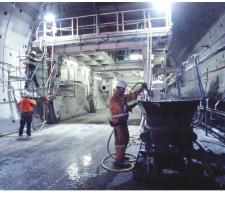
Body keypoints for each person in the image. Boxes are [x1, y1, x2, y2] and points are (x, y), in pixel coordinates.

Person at [108, 80, 148, 168]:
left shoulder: (122, 97)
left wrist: (141, 88)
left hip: (123, 123)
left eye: (124, 90)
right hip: (118, 124)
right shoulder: (114, 99)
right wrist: (136, 103)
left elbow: (132, 95)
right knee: (120, 142)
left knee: (125, 139)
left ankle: (122, 156)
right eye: (121, 89)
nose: (123, 91)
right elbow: (123, 108)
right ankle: (118, 161)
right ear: (117, 88)